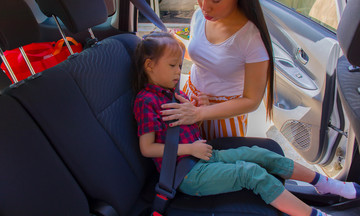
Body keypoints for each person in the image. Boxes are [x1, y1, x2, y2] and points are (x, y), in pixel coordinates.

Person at [132, 32, 359, 216]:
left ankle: (325, 183)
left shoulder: (170, 92)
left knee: (261, 155)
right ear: (150, 65)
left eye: (179, 65)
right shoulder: (145, 101)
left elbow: (179, 129)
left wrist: (200, 107)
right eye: (173, 65)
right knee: (250, 173)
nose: (177, 72)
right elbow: (147, 148)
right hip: (185, 175)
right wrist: (190, 148)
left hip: (200, 156)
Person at [160, 0, 274, 140]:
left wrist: (199, 113)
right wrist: (176, 45)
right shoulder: (199, 16)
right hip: (189, 101)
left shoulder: (251, 38)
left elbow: (252, 100)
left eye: (216, 0)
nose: (205, 7)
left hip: (223, 117)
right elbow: (205, 58)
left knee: (214, 161)